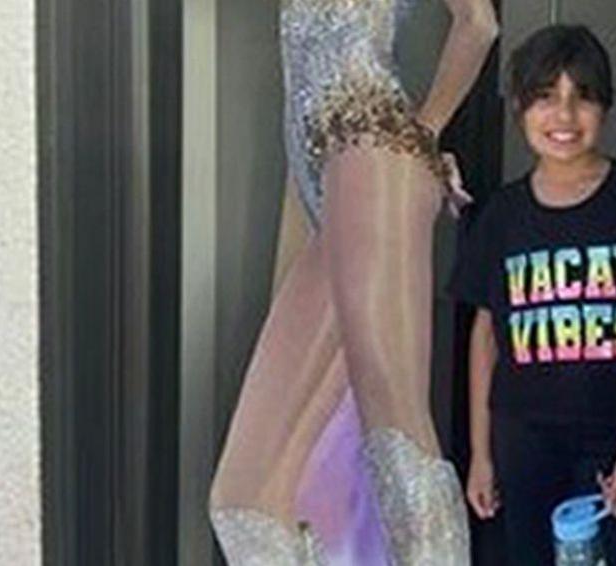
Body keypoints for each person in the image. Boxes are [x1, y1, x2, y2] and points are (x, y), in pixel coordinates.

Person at [208, 0, 498, 564]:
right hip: (324, 172)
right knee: (242, 499)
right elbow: (301, 99)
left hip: (372, 143)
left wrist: (424, 134)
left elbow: (479, 24)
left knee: (398, 442)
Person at [449, 25, 616, 565]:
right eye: (545, 97)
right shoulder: (500, 217)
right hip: (523, 441)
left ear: (605, 108)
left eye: (582, 96)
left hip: (615, 437)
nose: (564, 117)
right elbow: (485, 335)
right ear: (519, 106)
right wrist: (481, 455)